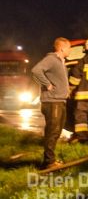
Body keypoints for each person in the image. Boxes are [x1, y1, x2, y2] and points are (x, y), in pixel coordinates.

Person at [31, 37, 71, 169]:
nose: (70, 50)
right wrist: (47, 84)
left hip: (60, 101)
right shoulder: (52, 59)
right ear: (62, 48)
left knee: (57, 131)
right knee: (52, 131)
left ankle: (50, 159)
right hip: (52, 101)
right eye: (69, 47)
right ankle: (49, 162)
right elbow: (36, 70)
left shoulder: (61, 62)